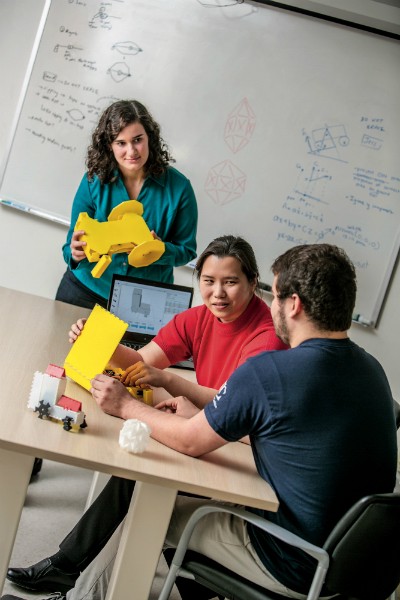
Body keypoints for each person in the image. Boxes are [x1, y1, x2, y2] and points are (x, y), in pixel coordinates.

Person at [5, 235, 288, 598]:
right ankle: (71, 571)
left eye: (231, 282)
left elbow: (235, 407)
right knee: (137, 468)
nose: (218, 293)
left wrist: (173, 384)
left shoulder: (267, 338)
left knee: (140, 477)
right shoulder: (200, 318)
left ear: (252, 283)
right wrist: (97, 341)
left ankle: (67, 568)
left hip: (246, 452)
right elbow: (144, 361)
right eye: (209, 281)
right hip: (212, 431)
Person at [55, 99, 198, 310]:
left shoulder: (180, 188)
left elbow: (186, 250)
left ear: (150, 138)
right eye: (121, 143)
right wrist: (75, 252)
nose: (131, 151)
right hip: (85, 290)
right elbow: (70, 248)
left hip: (144, 299)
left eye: (137, 140)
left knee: (138, 346)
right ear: (109, 146)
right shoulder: (92, 182)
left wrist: (159, 249)